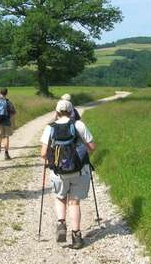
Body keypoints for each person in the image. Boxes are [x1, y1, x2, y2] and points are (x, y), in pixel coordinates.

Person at [40, 100, 96, 249]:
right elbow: (92, 147)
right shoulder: (79, 125)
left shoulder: (50, 128)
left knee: (60, 197)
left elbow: (43, 153)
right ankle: (77, 237)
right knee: (74, 202)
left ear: (57, 112)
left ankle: (61, 224)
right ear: (72, 111)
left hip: (58, 172)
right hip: (79, 170)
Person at [0, 88, 16, 160]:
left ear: (0, 92)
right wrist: (13, 123)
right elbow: (13, 113)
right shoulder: (8, 102)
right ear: (6, 93)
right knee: (6, 137)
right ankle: (6, 154)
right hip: (6, 121)